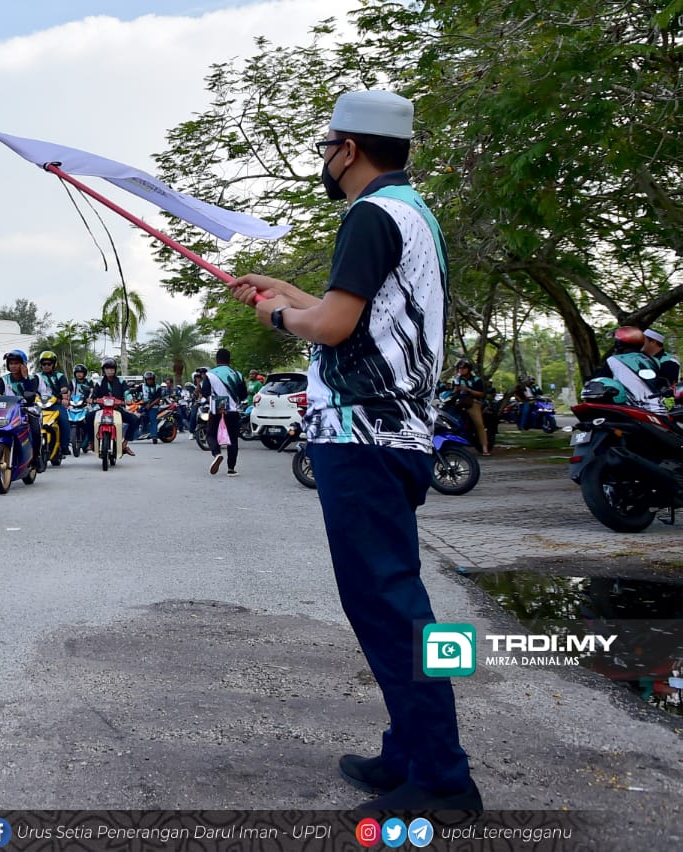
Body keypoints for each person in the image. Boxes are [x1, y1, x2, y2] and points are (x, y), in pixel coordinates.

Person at [229, 90, 480, 810]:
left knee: (389, 607)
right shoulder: (409, 210)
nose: (324, 158)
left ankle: (443, 779)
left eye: (326, 146)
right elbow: (356, 316)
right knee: (390, 601)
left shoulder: (370, 215)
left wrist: (278, 315)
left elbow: (334, 328)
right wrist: (286, 292)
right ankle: (410, 753)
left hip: (363, 435)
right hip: (392, 433)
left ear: (349, 149)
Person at [0, 349, 44, 473]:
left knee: (35, 430)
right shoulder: (4, 380)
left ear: (23, 364)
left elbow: (31, 395)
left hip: (28, 410)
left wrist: (25, 378)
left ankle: (36, 457)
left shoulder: (32, 378)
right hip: (9, 412)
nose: (13, 366)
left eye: (16, 363)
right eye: (11, 363)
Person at [595, 326, 667, 414]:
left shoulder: (613, 360)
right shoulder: (654, 361)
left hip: (632, 410)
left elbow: (599, 382)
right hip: (659, 410)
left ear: (620, 343)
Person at [200, 348, 246, 476]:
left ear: (216, 359)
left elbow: (205, 392)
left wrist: (215, 401)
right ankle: (231, 469)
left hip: (216, 409)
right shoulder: (237, 374)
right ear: (229, 359)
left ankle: (217, 453)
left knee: (211, 434)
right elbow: (243, 395)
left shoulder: (210, 374)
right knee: (233, 439)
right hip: (233, 411)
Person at [85, 358, 139, 456]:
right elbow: (94, 394)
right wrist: (91, 399)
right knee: (88, 417)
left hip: (117, 409)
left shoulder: (121, 381)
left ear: (115, 370)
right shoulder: (99, 382)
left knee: (134, 419)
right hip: (102, 410)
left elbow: (126, 392)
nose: (110, 371)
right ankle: (92, 442)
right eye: (107, 368)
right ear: (104, 370)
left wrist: (129, 399)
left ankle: (125, 444)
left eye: (112, 368)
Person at [35, 350, 73, 457]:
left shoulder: (60, 376)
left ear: (54, 364)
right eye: (44, 364)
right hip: (39, 406)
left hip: (55, 404)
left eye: (49, 364)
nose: (46, 366)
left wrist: (64, 394)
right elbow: (31, 389)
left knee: (64, 419)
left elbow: (64, 388)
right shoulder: (36, 377)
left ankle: (64, 446)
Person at [451, 360, 491, 455]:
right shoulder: (456, 380)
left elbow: (481, 394)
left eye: (464, 368)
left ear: (469, 369)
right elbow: (453, 392)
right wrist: (455, 390)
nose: (461, 370)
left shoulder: (476, 380)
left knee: (479, 424)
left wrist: (468, 390)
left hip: (472, 403)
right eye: (459, 368)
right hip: (459, 402)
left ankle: (484, 447)